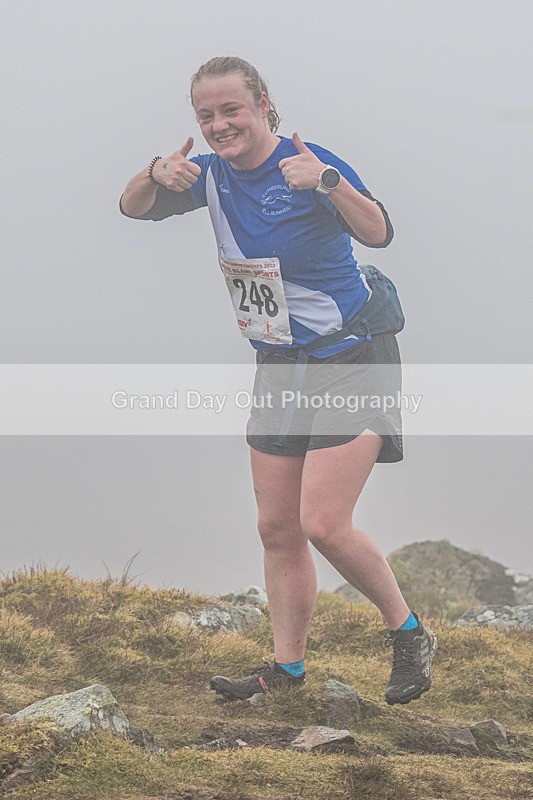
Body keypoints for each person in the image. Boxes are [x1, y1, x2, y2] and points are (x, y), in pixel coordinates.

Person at [120, 56, 437, 706]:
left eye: (230, 109)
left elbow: (378, 231)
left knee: (322, 521)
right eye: (205, 115)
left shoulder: (306, 160)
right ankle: (285, 671)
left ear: (263, 104)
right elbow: (131, 207)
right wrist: (154, 172)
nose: (218, 124)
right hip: (281, 363)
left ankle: (407, 634)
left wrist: (324, 182)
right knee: (276, 527)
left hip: (352, 355)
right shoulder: (206, 176)